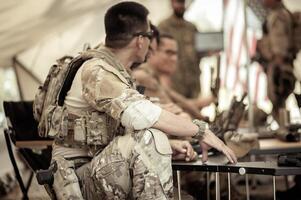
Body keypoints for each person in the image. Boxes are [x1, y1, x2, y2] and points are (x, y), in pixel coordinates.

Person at [49, 2, 236, 199]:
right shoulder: (97, 72)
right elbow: (143, 116)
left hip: (95, 167)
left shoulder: (114, 70)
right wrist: (201, 131)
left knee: (154, 139)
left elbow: (115, 129)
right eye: (149, 36)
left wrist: (170, 145)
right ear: (140, 41)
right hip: (77, 179)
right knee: (150, 138)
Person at [133, 26, 212, 121]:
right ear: (152, 50)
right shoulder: (144, 77)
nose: (174, 59)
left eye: (175, 54)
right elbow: (175, 112)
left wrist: (202, 116)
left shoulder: (154, 76)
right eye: (169, 53)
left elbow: (180, 101)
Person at [256, 0, 295, 124]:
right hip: (276, 65)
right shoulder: (275, 14)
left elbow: (280, 44)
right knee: (276, 102)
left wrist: (277, 66)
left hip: (279, 66)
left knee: (279, 101)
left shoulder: (279, 16)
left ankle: (284, 129)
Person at [158, 0, 200, 98]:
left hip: (192, 81)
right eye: (178, 2)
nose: (181, 6)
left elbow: (198, 52)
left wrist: (209, 52)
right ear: (172, 3)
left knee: (194, 110)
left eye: (182, 3)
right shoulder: (163, 26)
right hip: (174, 81)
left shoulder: (192, 28)